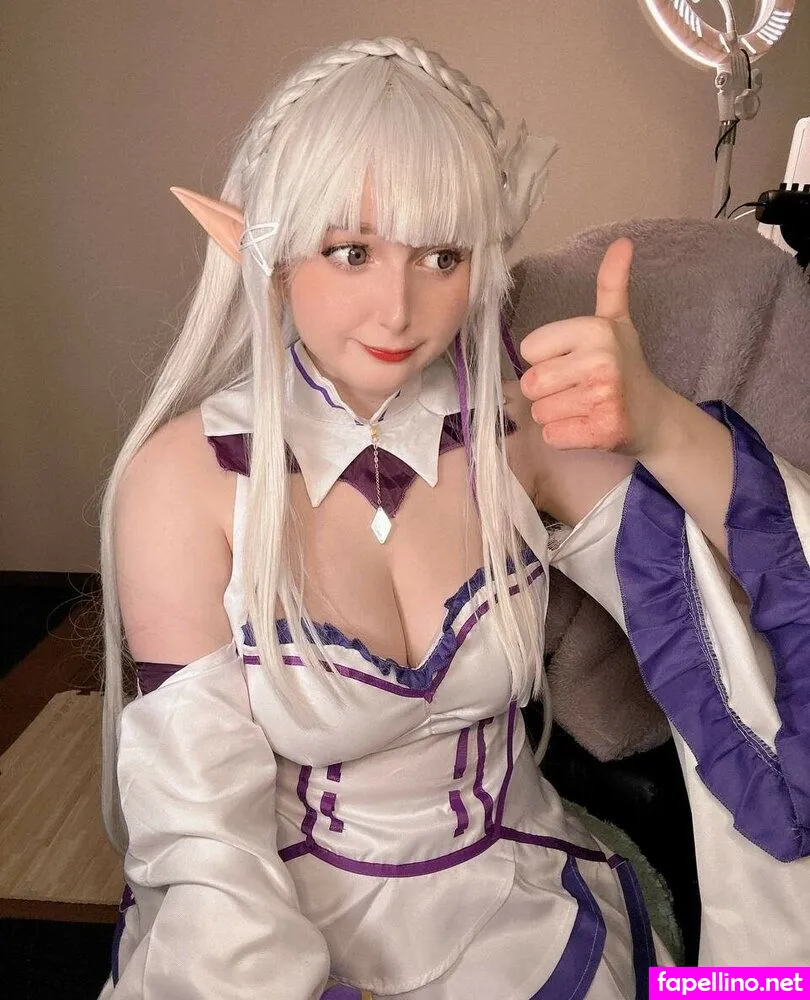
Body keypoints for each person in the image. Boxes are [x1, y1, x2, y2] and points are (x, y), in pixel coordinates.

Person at [97, 35, 810, 999]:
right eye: (349, 251)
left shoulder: (517, 431)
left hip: (522, 908)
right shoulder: (182, 481)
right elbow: (203, 836)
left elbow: (767, 582)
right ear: (260, 247)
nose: (397, 309)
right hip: (271, 917)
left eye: (441, 254)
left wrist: (662, 424)